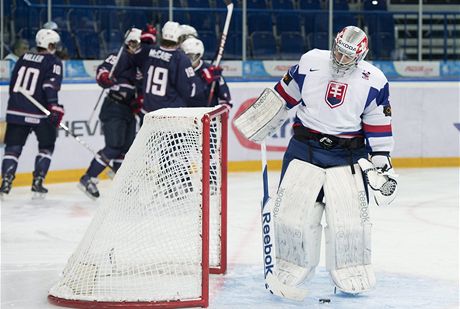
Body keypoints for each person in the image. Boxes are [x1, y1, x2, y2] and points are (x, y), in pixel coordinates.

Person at [235, 26, 397, 295]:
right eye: (339, 53)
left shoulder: (375, 80)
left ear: (361, 56)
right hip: (305, 147)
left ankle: (351, 267)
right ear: (334, 45)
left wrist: (381, 157)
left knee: (349, 220)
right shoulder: (310, 62)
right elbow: (283, 95)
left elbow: (378, 120)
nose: (341, 60)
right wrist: (262, 118)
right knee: (292, 214)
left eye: (348, 57)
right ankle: (290, 265)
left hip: (348, 154)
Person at [78, 28, 143, 200]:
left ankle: (121, 182)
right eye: (132, 42)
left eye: (138, 43)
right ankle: (88, 178)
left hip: (128, 110)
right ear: (127, 42)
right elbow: (102, 71)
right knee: (114, 147)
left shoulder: (140, 63)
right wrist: (104, 77)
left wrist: (139, 101)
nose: (135, 46)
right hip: (113, 107)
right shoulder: (117, 56)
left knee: (126, 150)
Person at [0, 29, 64, 198]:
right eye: (53, 45)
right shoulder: (53, 62)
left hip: (16, 109)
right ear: (48, 45)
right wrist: (54, 107)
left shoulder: (23, 58)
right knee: (47, 146)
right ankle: (38, 181)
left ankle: (6, 182)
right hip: (40, 113)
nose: (55, 48)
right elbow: (49, 87)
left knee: (12, 149)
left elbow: (14, 84)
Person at [126, 21, 205, 115]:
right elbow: (189, 90)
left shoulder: (148, 51)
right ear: (179, 38)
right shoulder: (180, 59)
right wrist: (203, 81)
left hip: (147, 113)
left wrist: (144, 42)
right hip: (168, 117)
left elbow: (133, 57)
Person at [180, 37, 232, 108]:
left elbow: (226, 101)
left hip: (206, 115)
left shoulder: (211, 71)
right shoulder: (178, 69)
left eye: (192, 56)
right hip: (183, 114)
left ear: (199, 55)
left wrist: (221, 112)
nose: (189, 60)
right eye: (186, 57)